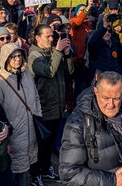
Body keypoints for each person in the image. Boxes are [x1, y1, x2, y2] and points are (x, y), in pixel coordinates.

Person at [59, 71, 122, 186]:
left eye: (116, 99)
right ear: (96, 92)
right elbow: (69, 174)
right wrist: (113, 180)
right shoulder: (78, 124)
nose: (111, 105)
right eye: (105, 98)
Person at [28, 24, 74, 184]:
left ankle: (46, 169)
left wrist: (67, 55)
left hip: (58, 105)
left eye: (52, 36)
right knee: (41, 144)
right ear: (37, 37)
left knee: (50, 142)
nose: (51, 39)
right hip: (44, 107)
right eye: (47, 36)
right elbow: (49, 71)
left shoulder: (54, 52)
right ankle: (37, 173)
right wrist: (59, 51)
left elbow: (69, 72)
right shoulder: (34, 55)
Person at [0, 43, 42, 186]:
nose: (17, 59)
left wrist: (38, 115)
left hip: (31, 129)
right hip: (14, 132)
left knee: (29, 165)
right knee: (16, 171)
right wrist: (7, 128)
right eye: (12, 57)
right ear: (5, 59)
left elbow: (35, 96)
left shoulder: (26, 74)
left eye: (19, 55)